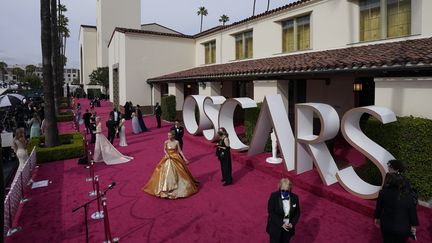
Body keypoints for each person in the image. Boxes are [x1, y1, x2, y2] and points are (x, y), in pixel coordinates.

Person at [142, 131, 198, 199]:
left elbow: (179, 151)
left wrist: (184, 158)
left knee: (180, 171)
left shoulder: (177, 142)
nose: (168, 136)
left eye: (170, 135)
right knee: (164, 170)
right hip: (168, 157)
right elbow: (164, 149)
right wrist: (167, 154)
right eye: (168, 135)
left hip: (175, 157)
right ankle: (166, 188)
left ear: (173, 136)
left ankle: (179, 188)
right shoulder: (166, 142)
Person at [375, 172, 419, 243]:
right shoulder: (409, 196)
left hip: (387, 225)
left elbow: (379, 208)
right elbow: (412, 212)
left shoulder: (383, 192)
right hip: (403, 228)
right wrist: (413, 225)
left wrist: (377, 218)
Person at [266, 178, 301, 243]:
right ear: (279, 188)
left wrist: (292, 224)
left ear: (290, 189)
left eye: (287, 191)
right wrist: (281, 224)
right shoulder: (274, 196)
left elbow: (297, 213)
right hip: (276, 228)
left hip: (288, 229)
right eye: (283, 190)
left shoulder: (295, 198)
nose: (285, 193)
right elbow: (271, 212)